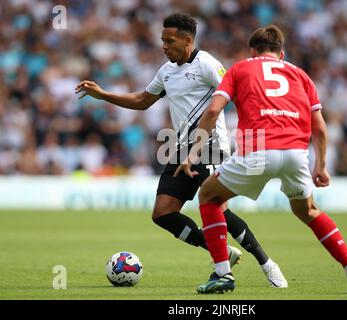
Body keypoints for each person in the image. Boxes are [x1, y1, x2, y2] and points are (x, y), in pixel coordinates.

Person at [75, 13, 287, 288]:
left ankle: (266, 263)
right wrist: (103, 95)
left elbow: (235, 92)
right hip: (180, 149)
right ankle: (218, 252)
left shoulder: (207, 64)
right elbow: (142, 100)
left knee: (217, 210)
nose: (163, 46)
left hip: (209, 147)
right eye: (162, 40)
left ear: (187, 41)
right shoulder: (166, 71)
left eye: (169, 40)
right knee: (162, 213)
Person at [175, 24, 347, 294]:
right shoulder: (300, 75)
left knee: (209, 196)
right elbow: (320, 127)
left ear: (252, 51)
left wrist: (193, 153)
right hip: (295, 153)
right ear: (281, 53)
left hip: (257, 150)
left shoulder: (241, 68)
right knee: (308, 211)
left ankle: (223, 273)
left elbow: (212, 111)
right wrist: (321, 166)